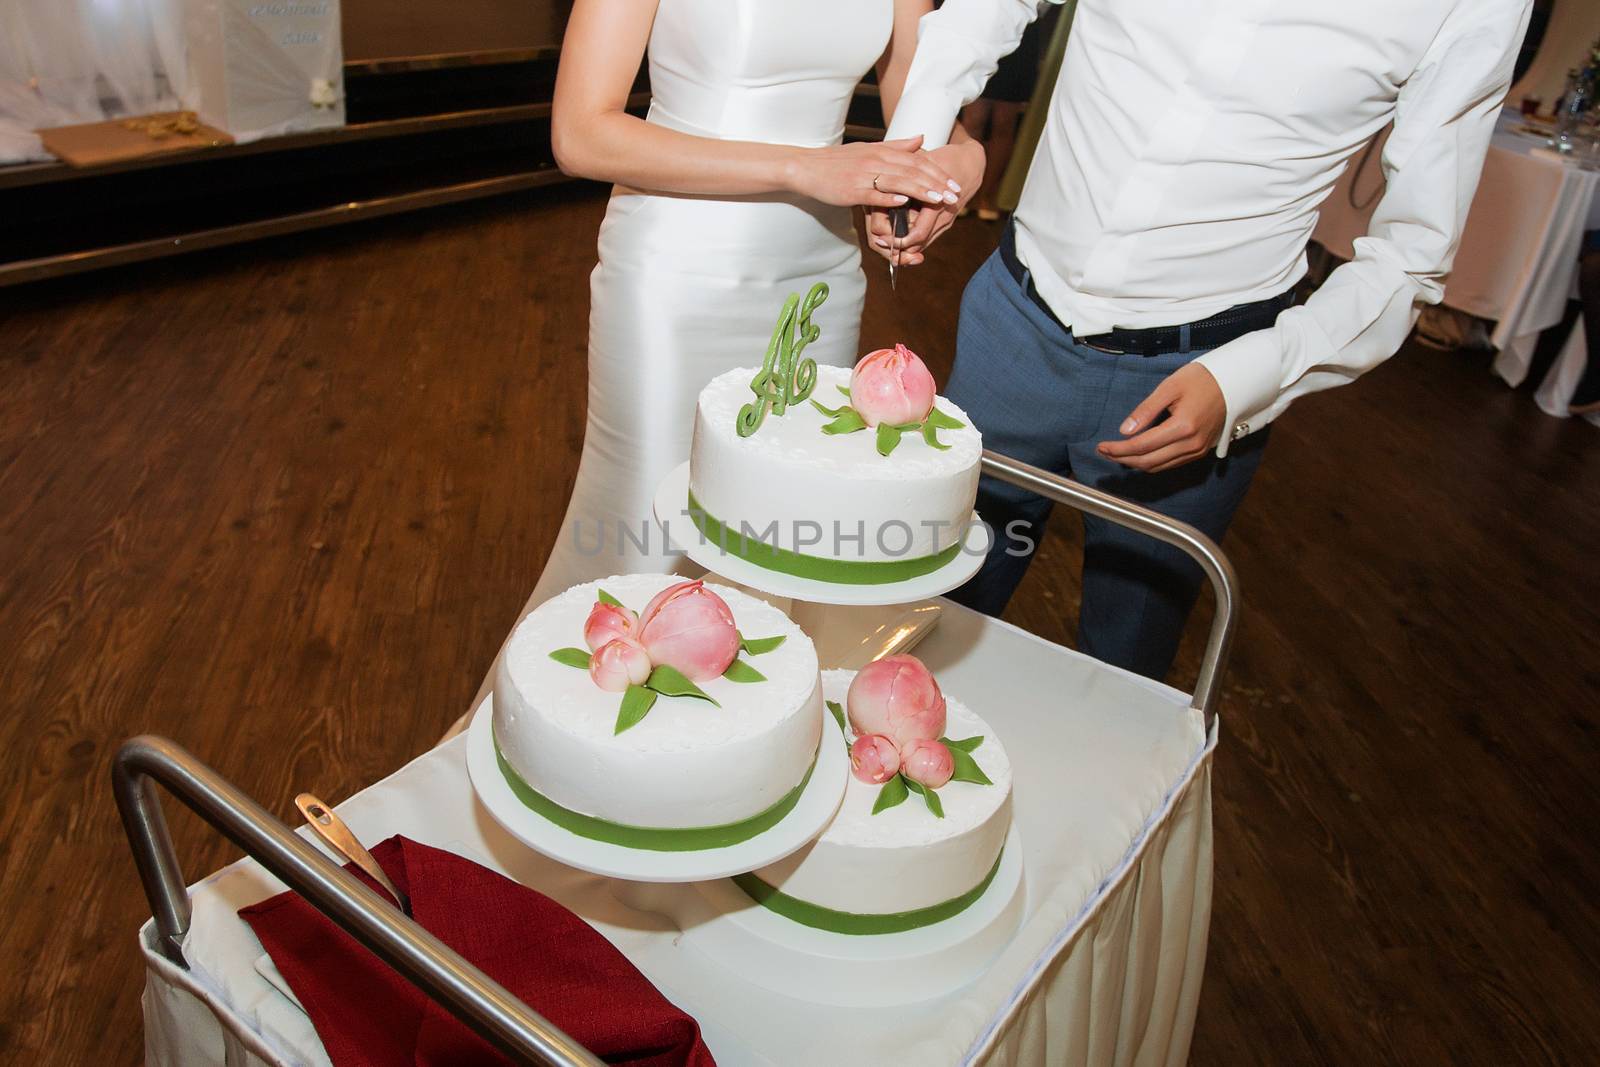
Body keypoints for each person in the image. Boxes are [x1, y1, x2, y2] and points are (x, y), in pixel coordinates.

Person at [867, 0, 1533, 681]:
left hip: (1203, 379)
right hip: (1013, 323)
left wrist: (1253, 376)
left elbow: (1412, 251)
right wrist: (913, 155)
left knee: (1126, 674)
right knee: (922, 619)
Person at [523, 0, 984, 612]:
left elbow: (923, 103)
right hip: (677, 271)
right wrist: (802, 167)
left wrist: (962, 169)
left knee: (781, 522)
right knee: (647, 522)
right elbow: (579, 133)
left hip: (818, 275)